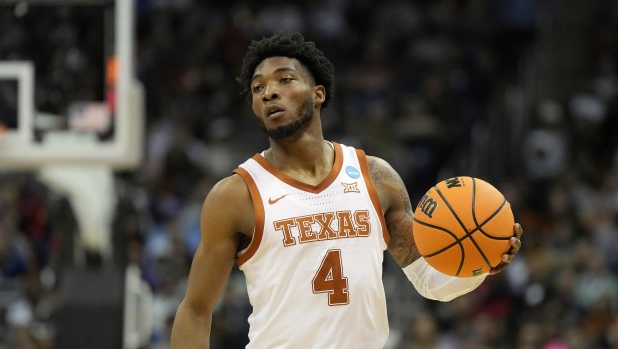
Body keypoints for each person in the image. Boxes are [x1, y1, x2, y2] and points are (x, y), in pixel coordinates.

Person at [170, 32, 524, 349]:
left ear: (318, 93)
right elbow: (195, 311)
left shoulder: (375, 176)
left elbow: (430, 280)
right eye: (258, 88)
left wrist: (481, 263)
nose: (269, 92)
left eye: (284, 79)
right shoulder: (236, 195)